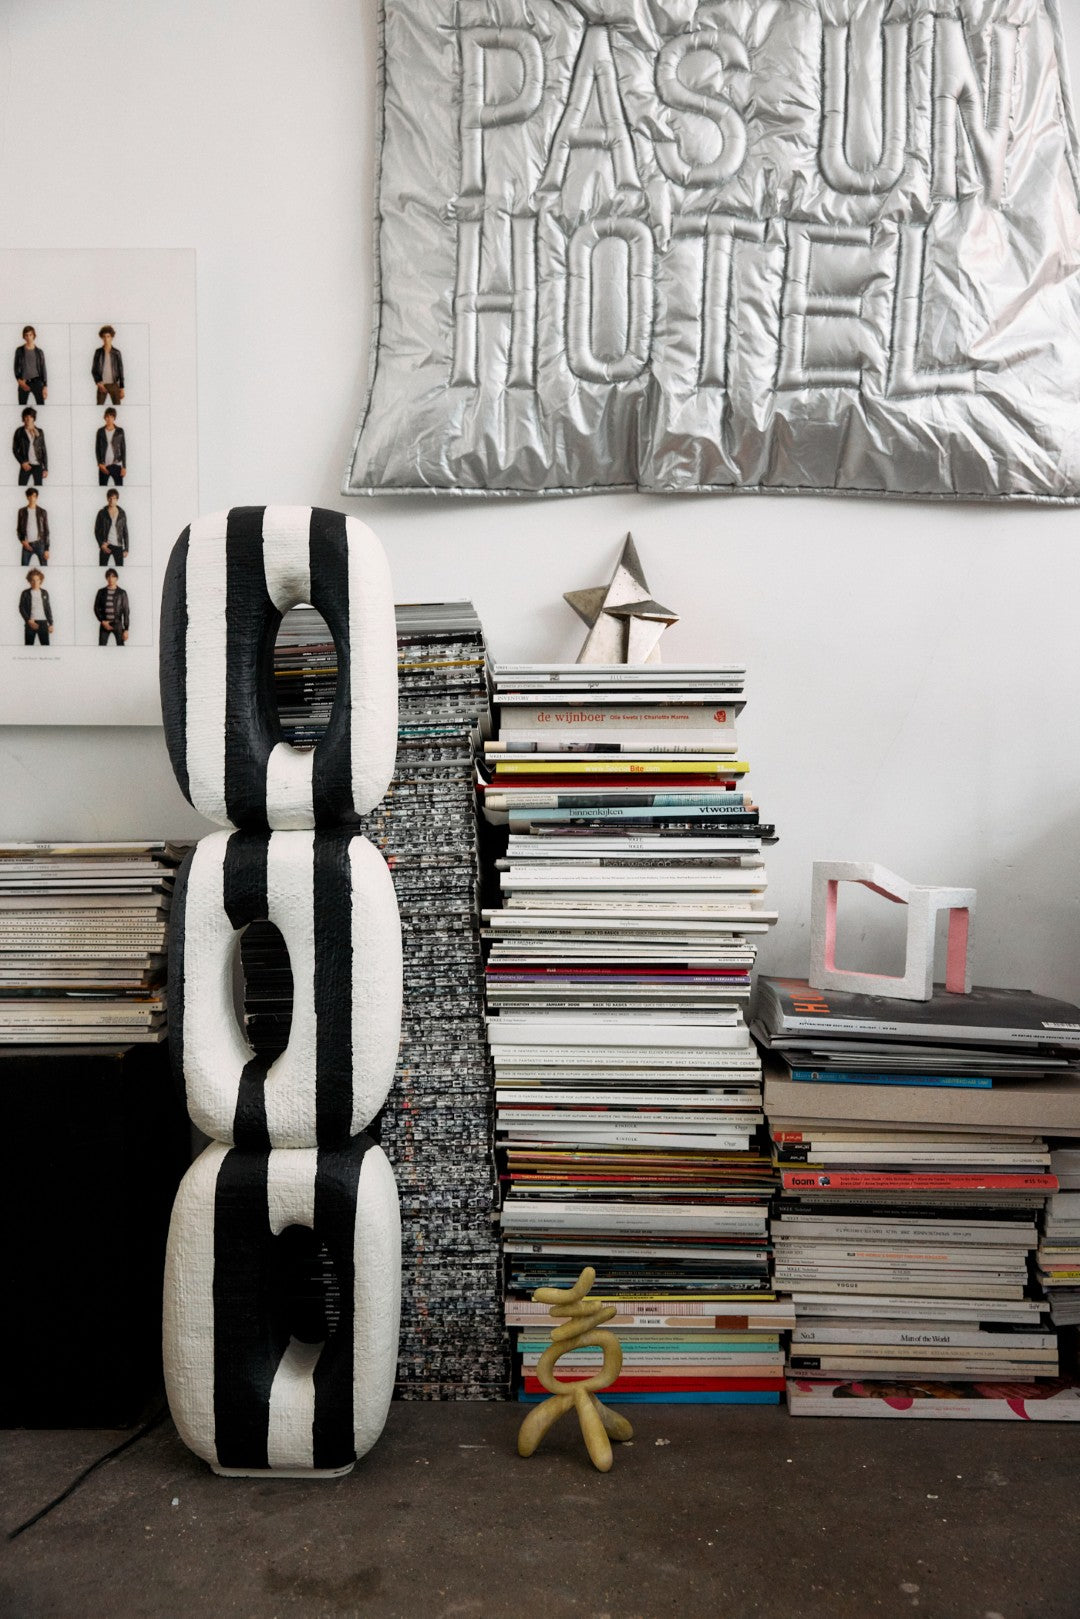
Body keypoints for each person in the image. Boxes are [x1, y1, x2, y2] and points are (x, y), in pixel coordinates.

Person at [13, 407, 48, 486]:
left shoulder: (40, 431)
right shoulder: (19, 432)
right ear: (23, 418)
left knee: (38, 487)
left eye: (31, 417)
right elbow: (15, 449)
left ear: (34, 418)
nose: (28, 419)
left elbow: (43, 450)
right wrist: (22, 462)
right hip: (26, 465)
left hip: (38, 465)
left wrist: (45, 468)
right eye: (26, 417)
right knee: (21, 486)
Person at [19, 568, 53, 647]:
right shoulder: (25, 593)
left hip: (43, 623)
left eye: (37, 580)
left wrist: (51, 623)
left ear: (40, 580)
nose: (35, 582)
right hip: (31, 623)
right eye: (32, 580)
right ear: (29, 581)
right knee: (28, 646)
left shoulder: (44, 592)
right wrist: (28, 620)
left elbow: (48, 608)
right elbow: (21, 608)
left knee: (46, 647)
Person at [94, 568, 129, 646]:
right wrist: (102, 621)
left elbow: (126, 611)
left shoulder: (122, 593)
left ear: (116, 578)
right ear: (106, 578)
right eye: (108, 576)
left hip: (117, 624)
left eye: (113, 576)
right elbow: (96, 608)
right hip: (104, 624)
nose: (111, 579)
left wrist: (126, 629)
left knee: (121, 646)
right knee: (102, 646)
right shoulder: (101, 592)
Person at [14, 327, 48, 406]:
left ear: (34, 336)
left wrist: (45, 386)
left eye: (30, 335)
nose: (28, 337)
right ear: (24, 337)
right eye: (26, 335)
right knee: (22, 406)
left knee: (41, 406)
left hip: (37, 382)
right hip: (24, 382)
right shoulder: (19, 350)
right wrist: (19, 381)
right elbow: (16, 367)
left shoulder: (39, 352)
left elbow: (43, 369)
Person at [94, 489, 129, 566]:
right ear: (107, 498)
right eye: (110, 498)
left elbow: (125, 532)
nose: (112, 500)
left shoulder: (122, 513)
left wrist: (126, 549)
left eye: (114, 498)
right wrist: (101, 544)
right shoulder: (102, 513)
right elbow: (96, 530)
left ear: (117, 499)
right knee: (102, 568)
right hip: (106, 545)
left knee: (120, 569)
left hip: (118, 546)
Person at [91, 326, 125, 405]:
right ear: (101, 338)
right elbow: (94, 370)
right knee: (99, 405)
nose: (106, 339)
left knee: (117, 405)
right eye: (104, 337)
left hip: (114, 385)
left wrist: (122, 388)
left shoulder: (117, 353)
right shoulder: (98, 352)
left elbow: (121, 370)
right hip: (102, 385)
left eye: (108, 336)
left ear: (112, 337)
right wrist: (99, 383)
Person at [17, 489, 50, 567]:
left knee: (44, 567)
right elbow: (19, 529)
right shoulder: (21, 511)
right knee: (24, 567)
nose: (32, 498)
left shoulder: (43, 512)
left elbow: (46, 531)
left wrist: (46, 549)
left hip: (40, 544)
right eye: (30, 496)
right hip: (27, 545)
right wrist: (22, 541)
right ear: (27, 497)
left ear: (37, 497)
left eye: (34, 496)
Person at [95, 408, 126, 486]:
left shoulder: (120, 431)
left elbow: (123, 449)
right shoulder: (100, 431)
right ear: (105, 417)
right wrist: (99, 464)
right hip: (103, 466)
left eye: (112, 417)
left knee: (119, 487)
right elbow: (97, 448)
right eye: (107, 417)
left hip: (117, 465)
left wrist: (124, 467)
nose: (109, 419)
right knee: (102, 487)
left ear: (114, 418)